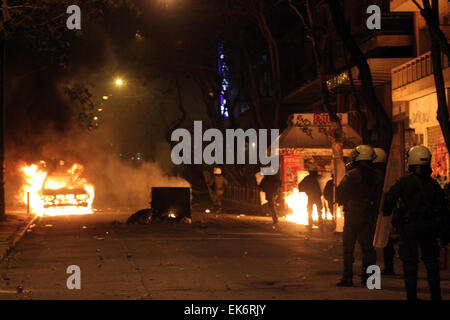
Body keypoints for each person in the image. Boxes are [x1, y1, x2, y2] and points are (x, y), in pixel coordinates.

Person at [383, 145, 449, 300]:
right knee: (432, 264)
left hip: (409, 228)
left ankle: (412, 296)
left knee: (410, 265)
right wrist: (445, 234)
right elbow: (443, 210)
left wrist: (388, 213)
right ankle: (436, 295)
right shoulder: (433, 185)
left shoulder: (403, 182)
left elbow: (389, 200)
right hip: (429, 228)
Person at [336, 145, 378, 287]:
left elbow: (340, 191)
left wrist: (342, 201)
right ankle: (370, 280)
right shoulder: (376, 175)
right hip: (369, 213)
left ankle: (347, 278)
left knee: (348, 247)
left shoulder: (352, 174)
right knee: (368, 248)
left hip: (353, 212)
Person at [372, 147, 396, 275]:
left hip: (378, 209)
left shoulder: (375, 174)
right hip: (385, 209)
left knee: (376, 240)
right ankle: (388, 266)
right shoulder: (388, 172)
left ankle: (372, 272)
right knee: (386, 239)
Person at [298, 164, 323, 231]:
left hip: (311, 196)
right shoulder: (319, 177)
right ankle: (321, 226)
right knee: (319, 211)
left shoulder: (308, 178)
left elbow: (300, 186)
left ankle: (310, 225)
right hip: (317, 196)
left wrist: (307, 191)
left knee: (310, 211)